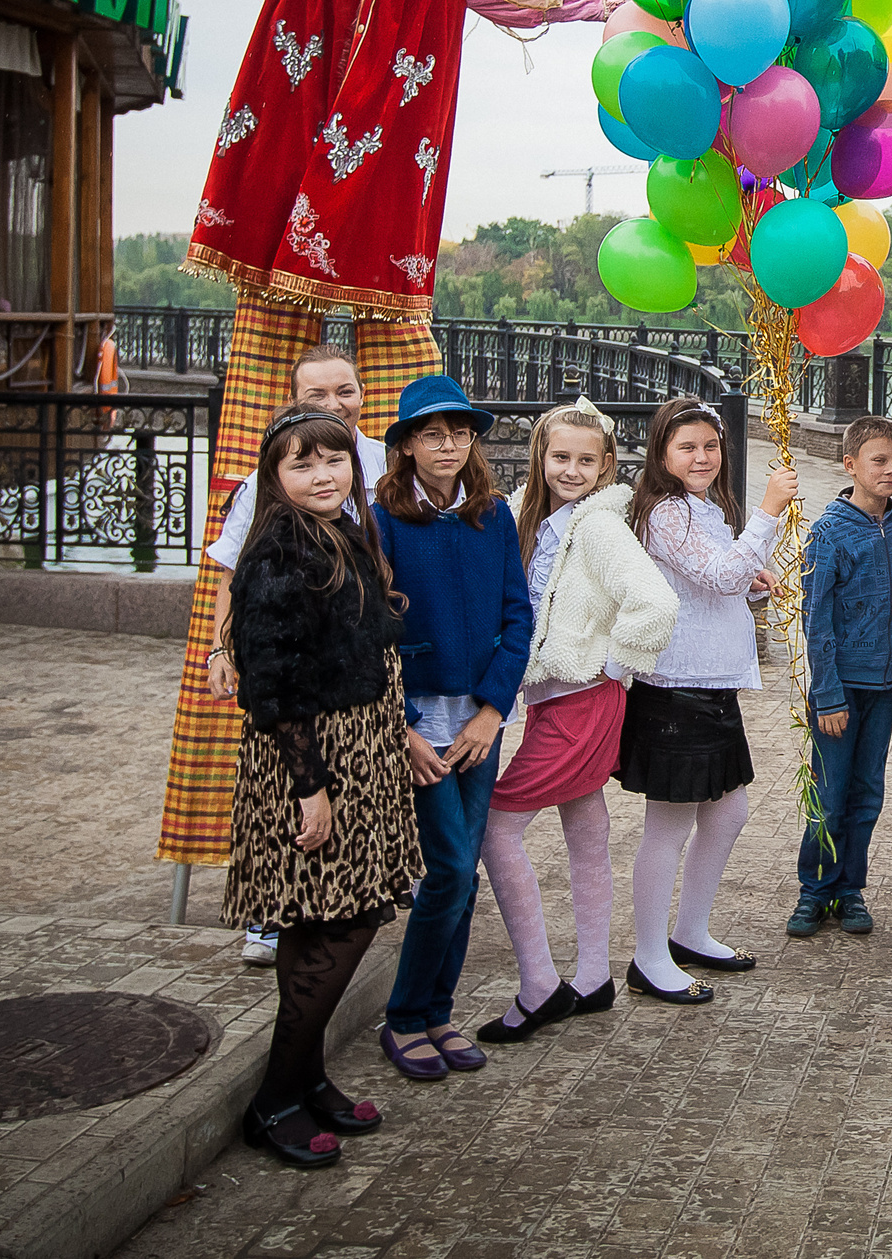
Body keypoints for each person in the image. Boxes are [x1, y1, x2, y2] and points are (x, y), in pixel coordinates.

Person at [106, 0, 616, 886]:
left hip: (381, 204)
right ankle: (247, 858)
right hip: (298, 175)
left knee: (418, 388)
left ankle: (385, 851)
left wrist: (622, 10)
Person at [222, 407, 421, 1170]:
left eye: (333, 460)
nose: (323, 475)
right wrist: (311, 787)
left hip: (361, 747)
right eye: (302, 464)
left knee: (317, 919)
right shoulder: (278, 548)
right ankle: (274, 1096)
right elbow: (272, 683)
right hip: (316, 756)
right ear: (275, 477)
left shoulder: (339, 531)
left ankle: (305, 1078)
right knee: (346, 917)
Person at [476, 400, 677, 1043]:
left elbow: (654, 602)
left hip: (582, 696)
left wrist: (612, 666)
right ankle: (593, 975)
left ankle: (540, 983)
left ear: (606, 465)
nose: (571, 469)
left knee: (494, 829)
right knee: (586, 825)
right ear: (540, 457)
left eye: (585, 460)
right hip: (552, 699)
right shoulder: (533, 519)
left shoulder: (597, 528)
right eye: (560, 457)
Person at [202, 343, 387, 968]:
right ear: (294, 398)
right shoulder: (279, 472)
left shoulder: (380, 463)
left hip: (355, 681)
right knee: (293, 792)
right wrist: (222, 646)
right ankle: (272, 915)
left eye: (345, 391)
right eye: (317, 395)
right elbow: (234, 570)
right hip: (302, 680)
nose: (335, 404)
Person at [370, 377, 530, 1082]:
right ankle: (404, 1016)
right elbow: (369, 630)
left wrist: (495, 709)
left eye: (460, 432)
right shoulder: (381, 520)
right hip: (420, 721)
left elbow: (518, 617)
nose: (448, 445)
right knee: (449, 870)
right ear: (405, 444)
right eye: (431, 433)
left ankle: (437, 1011)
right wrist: (401, 727)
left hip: (478, 721)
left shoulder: (490, 515)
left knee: (462, 875)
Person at [621, 397, 797, 1004]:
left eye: (711, 446)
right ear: (662, 454)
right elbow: (718, 575)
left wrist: (748, 577)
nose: (702, 457)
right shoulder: (667, 512)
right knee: (667, 826)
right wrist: (769, 514)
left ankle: (690, 930)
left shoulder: (702, 509)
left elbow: (718, 576)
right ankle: (648, 956)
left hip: (711, 684)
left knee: (728, 813)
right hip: (675, 688)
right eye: (687, 447)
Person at [791, 416, 892, 940]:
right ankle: (814, 889)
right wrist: (828, 695)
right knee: (831, 789)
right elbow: (815, 620)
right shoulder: (829, 533)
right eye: (878, 461)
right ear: (850, 466)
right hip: (840, 691)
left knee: (867, 789)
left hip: (885, 685)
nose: (890, 471)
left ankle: (850, 888)